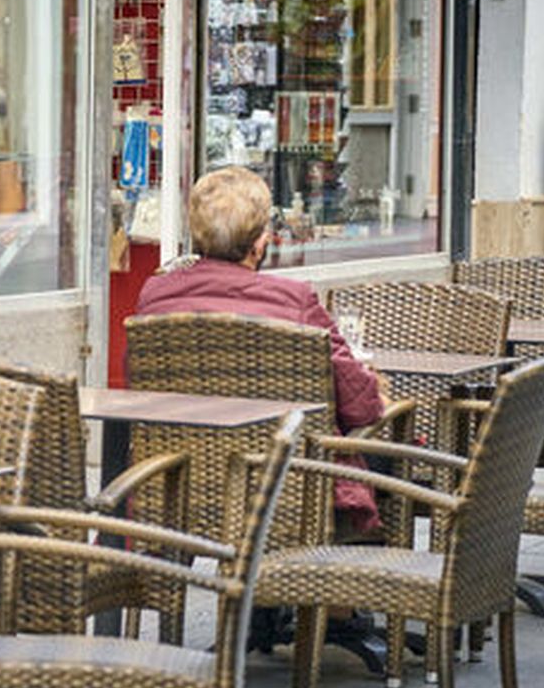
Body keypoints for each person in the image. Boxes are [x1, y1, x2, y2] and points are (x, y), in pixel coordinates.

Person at [135, 165, 386, 533]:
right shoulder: (295, 302)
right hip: (287, 490)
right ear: (258, 243)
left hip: (176, 484)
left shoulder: (154, 296)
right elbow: (363, 408)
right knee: (381, 456)